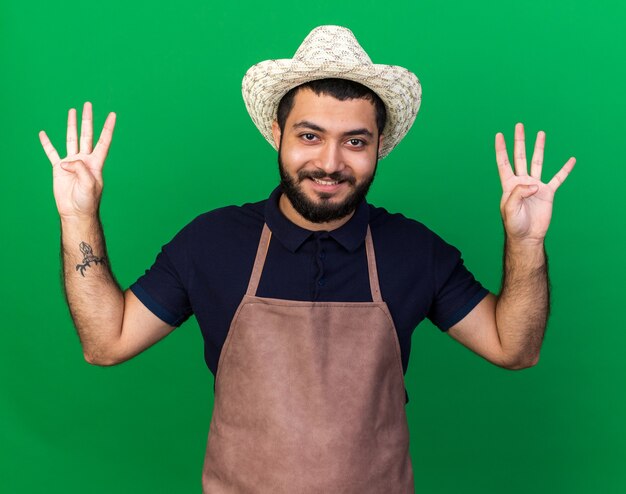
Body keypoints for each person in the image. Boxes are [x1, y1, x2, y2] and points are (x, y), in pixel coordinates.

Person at [39, 25, 575, 494]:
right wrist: (78, 216)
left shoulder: (414, 250)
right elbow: (106, 343)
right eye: (310, 135)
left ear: (378, 146)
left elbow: (515, 348)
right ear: (278, 133)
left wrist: (525, 243)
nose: (329, 162)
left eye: (355, 141)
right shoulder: (211, 242)